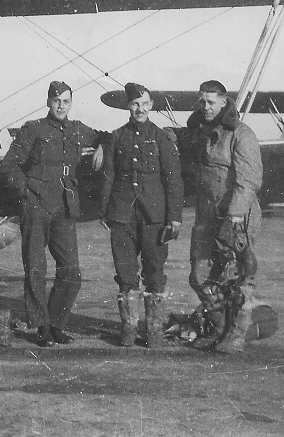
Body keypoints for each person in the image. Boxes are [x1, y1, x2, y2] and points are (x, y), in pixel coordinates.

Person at [1, 81, 104, 347]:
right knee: (36, 268)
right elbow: (9, 165)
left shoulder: (78, 130)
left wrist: (102, 146)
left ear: (71, 104)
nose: (61, 106)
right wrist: (25, 193)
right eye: (57, 100)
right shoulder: (33, 129)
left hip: (64, 207)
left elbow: (105, 135)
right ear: (48, 102)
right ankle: (41, 327)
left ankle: (57, 323)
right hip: (35, 206)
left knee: (71, 270)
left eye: (66, 101)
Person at [176, 79, 263, 354]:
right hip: (207, 216)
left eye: (212, 102)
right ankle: (217, 328)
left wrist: (235, 216)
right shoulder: (201, 131)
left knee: (238, 279)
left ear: (225, 102)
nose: (206, 107)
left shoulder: (242, 134)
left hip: (235, 217)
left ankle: (236, 335)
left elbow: (249, 180)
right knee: (199, 276)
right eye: (202, 101)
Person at [98, 83, 184, 347]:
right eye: (135, 104)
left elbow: (173, 179)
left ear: (151, 106)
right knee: (125, 275)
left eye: (145, 104)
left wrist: (175, 216)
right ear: (128, 106)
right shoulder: (117, 137)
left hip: (153, 216)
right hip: (123, 215)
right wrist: (104, 211)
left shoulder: (161, 138)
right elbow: (109, 175)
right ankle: (129, 329)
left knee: (155, 273)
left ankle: (154, 330)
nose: (141, 109)